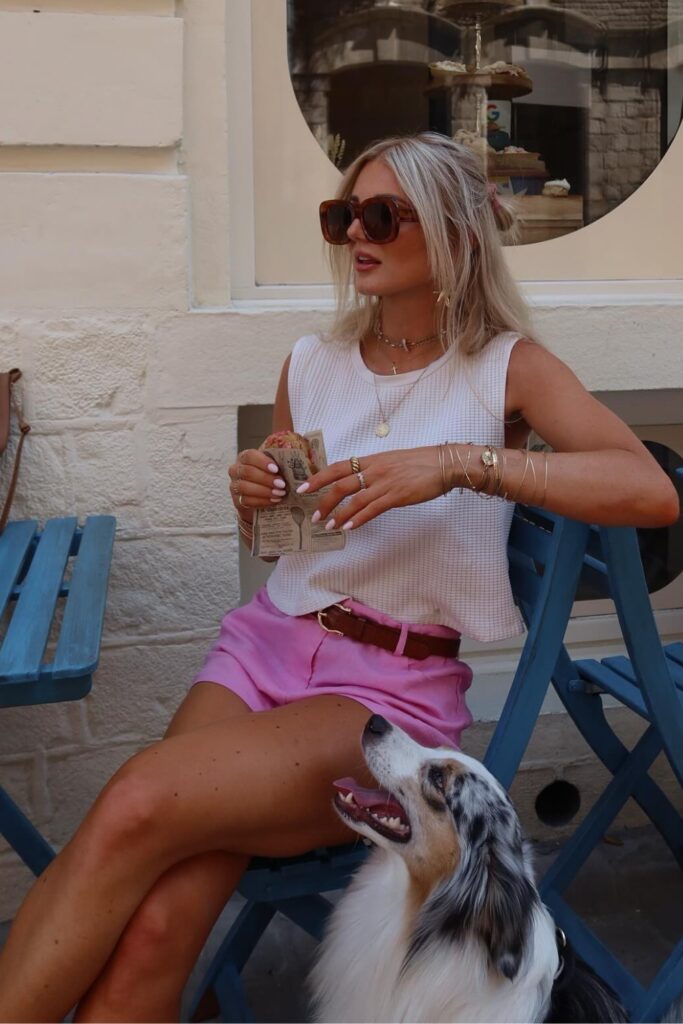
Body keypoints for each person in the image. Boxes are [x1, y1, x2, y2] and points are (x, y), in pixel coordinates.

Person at [0, 132, 677, 1023]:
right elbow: (294, 543)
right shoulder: (311, 364)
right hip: (263, 649)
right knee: (159, 926)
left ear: (457, 234)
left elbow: (650, 490)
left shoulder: (505, 368)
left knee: (134, 803)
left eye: (381, 215)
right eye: (341, 214)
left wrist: (459, 464)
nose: (354, 231)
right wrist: (255, 500)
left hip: (382, 692)